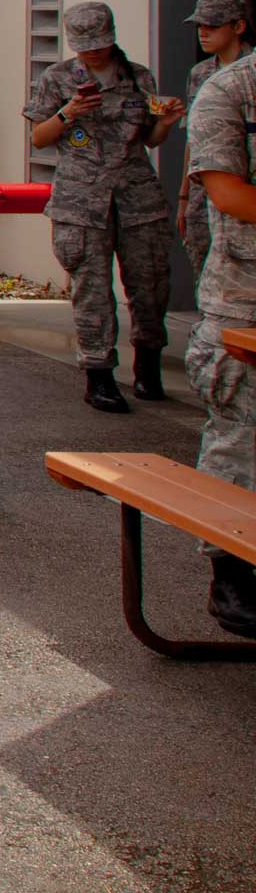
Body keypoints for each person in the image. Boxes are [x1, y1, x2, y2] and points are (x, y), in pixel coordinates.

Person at [24, 0, 184, 413]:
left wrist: (166, 122)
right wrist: (69, 112)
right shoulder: (58, 78)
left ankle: (148, 365)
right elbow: (39, 137)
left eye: (99, 43)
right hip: (82, 200)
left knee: (150, 286)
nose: (93, 52)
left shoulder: (137, 77)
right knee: (92, 290)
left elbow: (149, 139)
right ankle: (99, 375)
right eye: (85, 46)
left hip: (136, 197)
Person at [183, 50, 256, 638]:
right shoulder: (231, 91)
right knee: (241, 445)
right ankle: (231, 573)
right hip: (244, 303)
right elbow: (229, 194)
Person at [177, 0, 251, 283]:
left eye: (213, 26)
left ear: (238, 26)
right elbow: (195, 140)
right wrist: (184, 197)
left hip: (242, 189)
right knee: (205, 277)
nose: (203, 33)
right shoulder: (201, 73)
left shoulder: (250, 71)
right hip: (203, 192)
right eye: (199, 26)